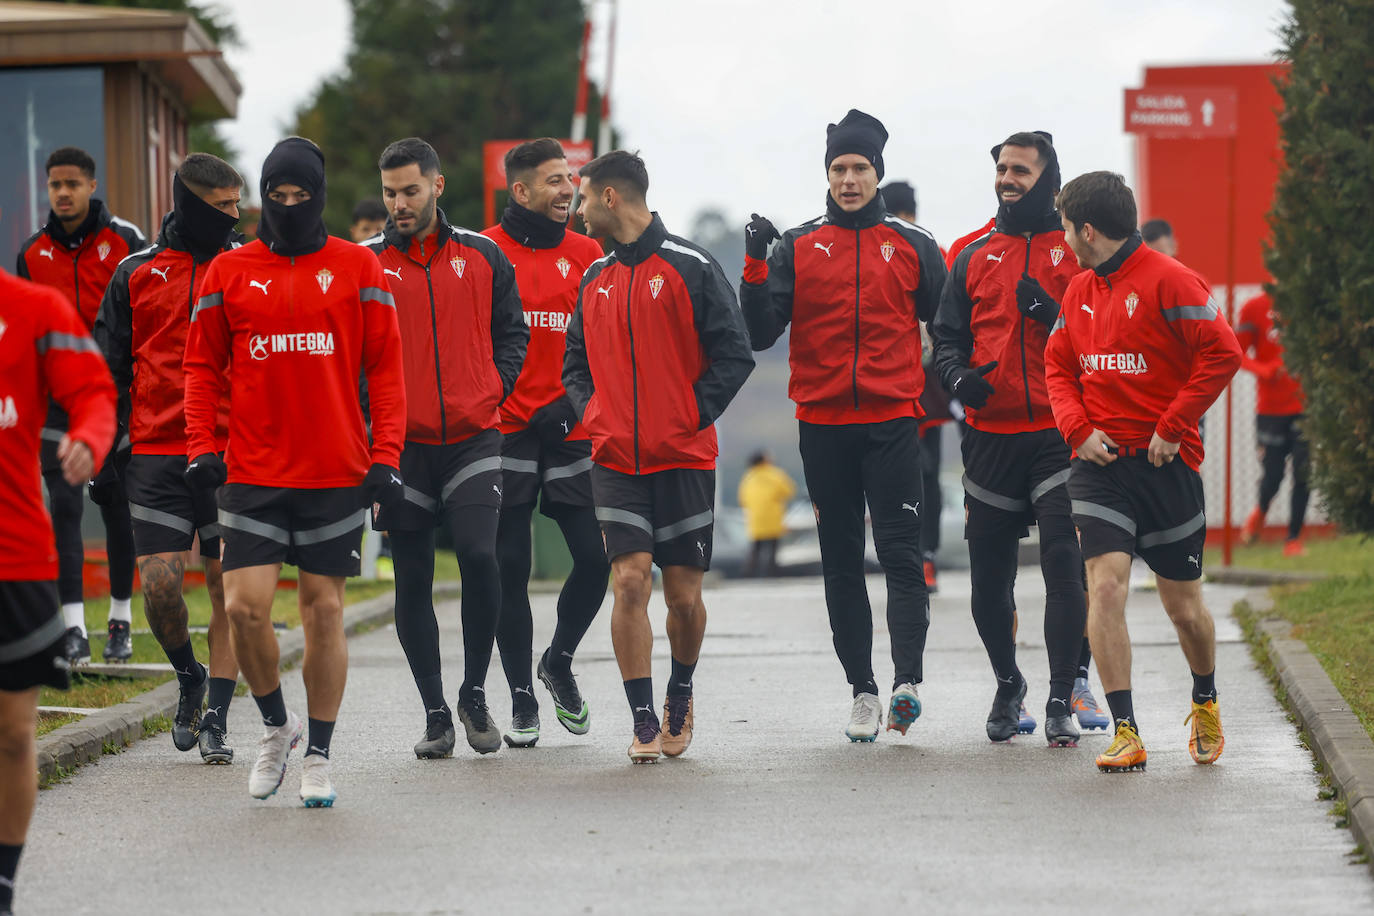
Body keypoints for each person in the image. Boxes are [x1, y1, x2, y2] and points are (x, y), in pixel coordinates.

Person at [184, 137, 407, 806]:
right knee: (244, 609)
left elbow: (386, 371)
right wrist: (202, 444)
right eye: (275, 197)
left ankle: (320, 754)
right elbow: (200, 368)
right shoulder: (227, 272)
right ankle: (277, 726)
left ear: (319, 197)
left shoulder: (357, 269)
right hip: (250, 471)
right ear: (261, 197)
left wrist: (386, 457)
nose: (287, 207)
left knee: (324, 611)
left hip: (335, 471)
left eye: (299, 197)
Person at [741, 110, 946, 743]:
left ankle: (906, 683)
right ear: (826, 175)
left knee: (901, 556)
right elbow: (758, 332)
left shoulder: (913, 244)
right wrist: (753, 265)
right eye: (838, 169)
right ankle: (862, 690)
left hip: (891, 423)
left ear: (877, 172)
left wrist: (960, 387)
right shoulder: (799, 246)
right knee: (840, 563)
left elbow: (953, 327)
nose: (849, 179)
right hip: (823, 424)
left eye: (859, 168)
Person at [1045, 170, 1242, 773]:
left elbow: (1224, 351)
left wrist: (1172, 425)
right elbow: (1059, 366)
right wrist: (1077, 431)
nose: (1063, 240)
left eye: (1065, 228)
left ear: (1087, 229)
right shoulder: (1077, 290)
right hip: (1101, 469)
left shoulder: (1172, 280)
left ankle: (1204, 698)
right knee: (1104, 585)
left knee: (1184, 610)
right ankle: (1125, 730)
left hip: (1167, 467)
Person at [563, 150, 753, 763]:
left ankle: (680, 688)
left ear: (611, 198)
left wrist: (689, 415)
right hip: (615, 457)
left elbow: (735, 354)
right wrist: (595, 414)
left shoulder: (690, 266)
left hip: (684, 458)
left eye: (583, 198)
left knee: (682, 597)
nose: (578, 210)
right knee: (627, 580)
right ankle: (643, 716)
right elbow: (575, 364)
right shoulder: (595, 279)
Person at [932, 131, 1104, 746]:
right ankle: (1009, 684)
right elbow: (944, 339)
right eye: (1002, 168)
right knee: (988, 580)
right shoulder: (971, 251)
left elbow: (1104, 334)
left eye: (1021, 170)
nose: (1008, 179)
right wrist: (957, 379)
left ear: (1048, 178)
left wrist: (1051, 316)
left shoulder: (1079, 247)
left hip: (1062, 433)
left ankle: (1062, 695)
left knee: (1064, 563)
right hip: (990, 438)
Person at [364, 137, 527, 758]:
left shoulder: (484, 255)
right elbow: (353, 353)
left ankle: (473, 691)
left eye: (409, 190)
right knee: (413, 576)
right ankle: (435, 711)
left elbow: (512, 334)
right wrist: (370, 423)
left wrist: (493, 387)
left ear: (437, 185)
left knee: (482, 559)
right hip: (399, 446)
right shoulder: (365, 264)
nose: (398, 203)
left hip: (473, 436)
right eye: (389, 193)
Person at [93, 153, 244, 762]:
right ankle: (189, 676)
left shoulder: (246, 267)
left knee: (225, 587)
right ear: (192, 203)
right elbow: (105, 370)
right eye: (225, 207)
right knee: (158, 587)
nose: (236, 217)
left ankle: (220, 718)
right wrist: (106, 451)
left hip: (233, 451)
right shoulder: (135, 272)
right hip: (155, 452)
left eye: (239, 205)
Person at [483, 138, 608, 747]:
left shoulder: (588, 254)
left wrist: (569, 404)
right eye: (556, 180)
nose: (568, 190)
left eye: (571, 179)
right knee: (511, 566)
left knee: (596, 556)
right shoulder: (482, 251)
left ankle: (557, 660)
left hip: (568, 429)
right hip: (504, 428)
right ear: (522, 191)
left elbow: (598, 344)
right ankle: (520, 696)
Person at [1, 257, 116, 916]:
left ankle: (5, 886)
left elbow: (95, 395)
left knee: (15, 734)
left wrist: (89, 439)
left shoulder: (36, 310)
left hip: (15, 555)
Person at [16, 147, 145, 665]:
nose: (63, 193)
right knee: (64, 509)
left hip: (113, 398)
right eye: (55, 185)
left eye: (72, 183)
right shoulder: (31, 254)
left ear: (92, 185)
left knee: (115, 507)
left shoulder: (127, 242)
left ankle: (120, 620)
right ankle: (73, 629)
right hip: (55, 402)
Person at [882, 178, 950, 591]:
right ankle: (917, 556)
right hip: (903, 383)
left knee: (922, 473)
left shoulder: (928, 250)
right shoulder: (922, 248)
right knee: (915, 474)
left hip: (927, 384)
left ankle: (924, 557)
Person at [1236, 291, 1309, 555]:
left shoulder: (1310, 301)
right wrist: (1264, 370)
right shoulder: (1254, 307)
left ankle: (1293, 539)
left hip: (1306, 406)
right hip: (1270, 409)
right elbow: (1236, 352)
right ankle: (1260, 512)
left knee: (1304, 472)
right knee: (1274, 476)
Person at [737, 450, 795, 577]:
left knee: (756, 547)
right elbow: (789, 491)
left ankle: (748, 573)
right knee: (773, 547)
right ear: (764, 460)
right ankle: (771, 572)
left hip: (756, 518)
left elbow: (742, 499)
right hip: (773, 517)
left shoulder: (748, 477)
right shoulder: (776, 474)